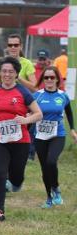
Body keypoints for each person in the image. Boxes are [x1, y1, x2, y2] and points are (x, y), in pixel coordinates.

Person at [0, 56, 42, 223]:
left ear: (16, 73)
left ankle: (16, 182)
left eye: (11, 71)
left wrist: (26, 120)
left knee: (16, 176)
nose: (7, 74)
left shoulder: (22, 92)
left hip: (20, 142)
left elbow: (38, 114)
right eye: (4, 71)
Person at [33, 66, 77, 207]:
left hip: (58, 134)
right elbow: (30, 114)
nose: (49, 80)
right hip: (40, 135)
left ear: (57, 78)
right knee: (45, 168)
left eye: (52, 77)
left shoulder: (62, 95)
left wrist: (72, 130)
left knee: (51, 161)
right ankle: (49, 198)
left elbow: (69, 113)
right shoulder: (37, 96)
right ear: (43, 79)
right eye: (46, 77)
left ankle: (56, 188)